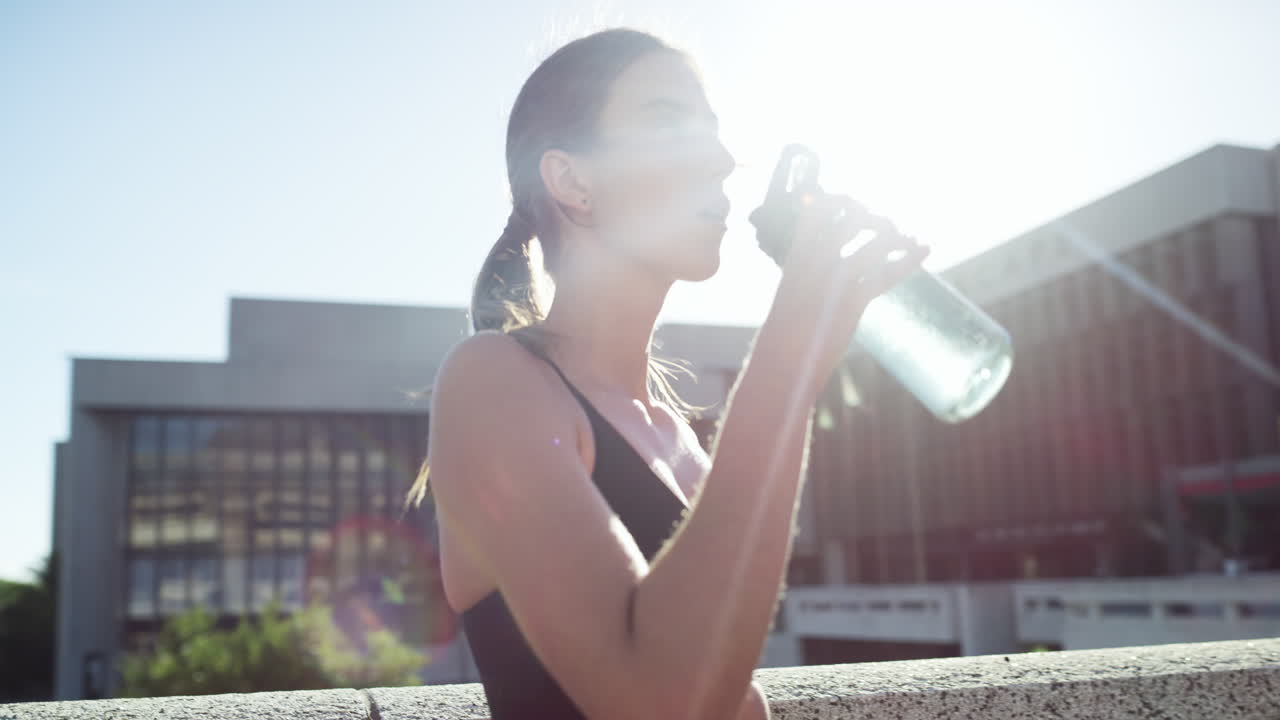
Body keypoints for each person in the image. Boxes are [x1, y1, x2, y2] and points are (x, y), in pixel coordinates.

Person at [409, 27, 929, 720]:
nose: (721, 156)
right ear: (573, 181)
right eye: (666, 121)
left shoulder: (677, 434)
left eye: (712, 130)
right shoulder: (492, 381)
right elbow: (660, 700)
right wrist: (792, 357)